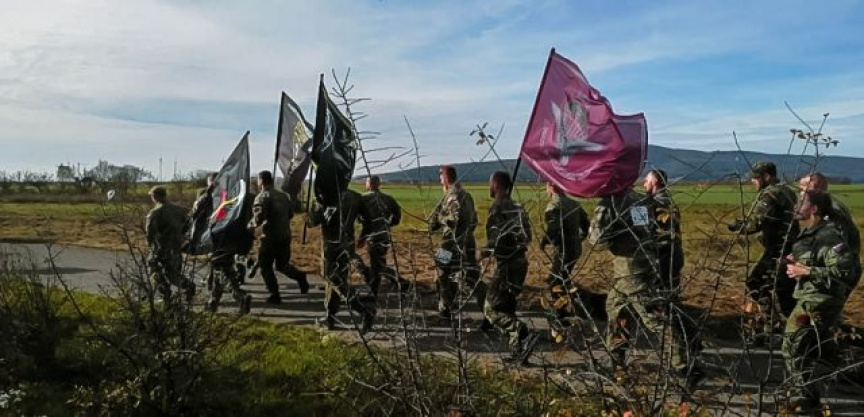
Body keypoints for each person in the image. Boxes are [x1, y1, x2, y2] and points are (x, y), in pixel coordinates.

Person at [589, 189, 702, 387]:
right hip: (645, 264)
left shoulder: (609, 203)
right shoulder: (639, 200)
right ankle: (617, 365)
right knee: (616, 309)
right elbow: (646, 231)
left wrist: (602, 227)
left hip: (630, 271)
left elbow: (597, 241)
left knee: (656, 318)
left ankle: (686, 368)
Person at [782, 190, 858, 413]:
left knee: (792, 345)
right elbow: (816, 259)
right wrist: (795, 262)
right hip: (810, 297)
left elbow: (845, 271)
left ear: (813, 209)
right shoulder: (811, 233)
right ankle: (845, 375)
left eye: (801, 202)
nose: (796, 205)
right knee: (816, 347)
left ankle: (804, 398)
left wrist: (807, 271)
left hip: (820, 300)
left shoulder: (829, 236)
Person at [729, 161, 799, 338]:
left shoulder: (770, 194)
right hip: (789, 247)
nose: (753, 181)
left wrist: (736, 225)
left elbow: (757, 222)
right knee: (783, 289)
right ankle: (787, 325)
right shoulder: (787, 191)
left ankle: (775, 324)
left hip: (778, 248)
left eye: (755, 178)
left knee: (756, 283)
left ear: (767, 177)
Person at [481, 171, 538, 365]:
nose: (489, 187)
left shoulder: (497, 209)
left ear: (496, 185)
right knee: (507, 306)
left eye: (490, 183)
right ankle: (518, 352)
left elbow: (495, 240)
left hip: (506, 265)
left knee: (491, 308)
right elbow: (527, 237)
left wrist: (482, 253)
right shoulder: (519, 209)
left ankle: (520, 332)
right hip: (520, 263)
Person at [307, 188, 375, 332]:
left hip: (331, 245)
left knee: (332, 279)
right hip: (347, 244)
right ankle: (330, 317)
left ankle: (362, 309)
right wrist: (363, 237)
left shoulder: (323, 196)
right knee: (338, 280)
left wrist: (309, 213)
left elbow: (313, 222)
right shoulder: (355, 197)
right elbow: (369, 220)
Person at [428, 165, 486, 323]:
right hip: (468, 241)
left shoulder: (452, 195)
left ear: (446, 178)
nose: (439, 179)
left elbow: (454, 219)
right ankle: (489, 311)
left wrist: (439, 218)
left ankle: (445, 310)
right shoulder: (467, 195)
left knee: (441, 273)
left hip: (450, 243)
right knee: (472, 276)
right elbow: (474, 221)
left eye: (441, 176)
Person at [248, 170, 310, 305]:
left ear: (261, 181)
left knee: (265, 266)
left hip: (270, 237)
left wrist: (248, 226)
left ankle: (274, 294)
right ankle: (300, 276)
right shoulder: (283, 196)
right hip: (285, 235)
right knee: (282, 265)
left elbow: (258, 219)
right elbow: (290, 215)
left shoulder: (262, 197)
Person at [539, 182, 590, 342]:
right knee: (564, 281)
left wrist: (544, 241)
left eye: (547, 186)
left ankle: (559, 324)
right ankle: (570, 316)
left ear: (552, 187)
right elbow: (586, 225)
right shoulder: (575, 204)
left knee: (554, 285)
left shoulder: (554, 205)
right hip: (575, 248)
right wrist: (579, 238)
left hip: (563, 250)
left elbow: (553, 228)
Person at [799, 172, 861, 291]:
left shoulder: (831, 210)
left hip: (839, 271)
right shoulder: (826, 206)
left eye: (804, 190)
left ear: (816, 188)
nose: (801, 194)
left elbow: (836, 245)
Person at [357, 175, 407, 294]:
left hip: (372, 235)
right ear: (379, 184)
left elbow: (361, 218)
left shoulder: (363, 198)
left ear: (369, 184)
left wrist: (362, 236)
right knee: (380, 262)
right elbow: (397, 215)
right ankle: (397, 282)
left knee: (376, 265)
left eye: (366, 182)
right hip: (384, 234)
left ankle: (376, 290)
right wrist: (389, 224)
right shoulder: (388, 198)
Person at [145, 186, 195, 301]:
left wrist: (150, 245)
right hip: (176, 246)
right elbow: (188, 225)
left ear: (155, 196)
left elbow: (150, 232)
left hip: (161, 248)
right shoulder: (179, 210)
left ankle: (166, 292)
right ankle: (186, 286)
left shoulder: (156, 212)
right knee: (173, 273)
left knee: (154, 269)